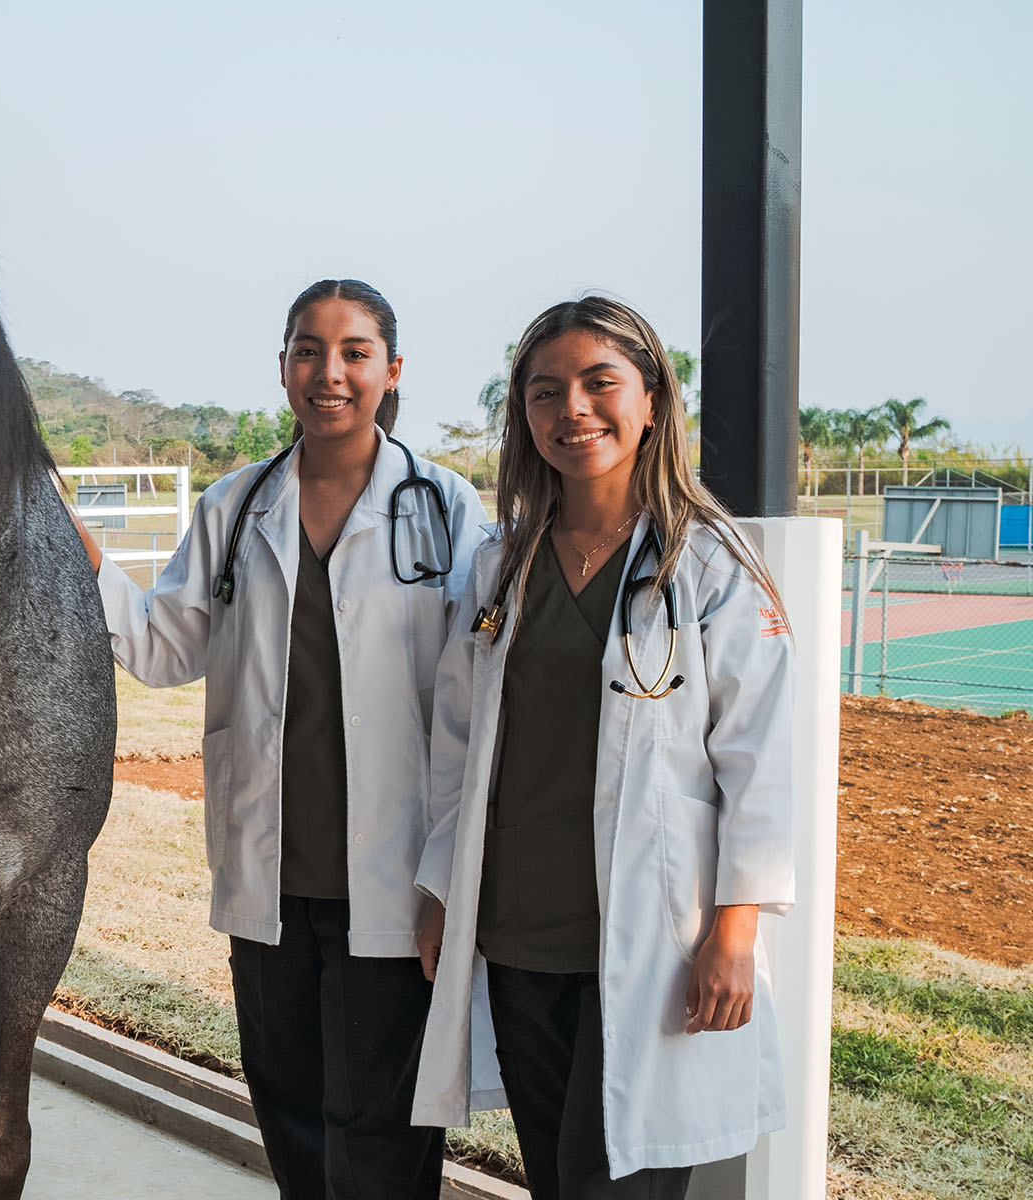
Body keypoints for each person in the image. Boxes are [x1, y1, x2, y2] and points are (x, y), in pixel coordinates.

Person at [71, 279, 488, 1197]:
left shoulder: (449, 511)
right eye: (307, 349)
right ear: (284, 366)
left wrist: (452, 880)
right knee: (292, 1119)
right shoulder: (234, 507)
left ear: (391, 370)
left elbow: (475, 713)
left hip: (397, 885)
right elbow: (162, 645)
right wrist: (87, 557)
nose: (328, 372)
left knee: (384, 1131)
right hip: (269, 884)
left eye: (352, 352)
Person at [409, 296, 797, 1198]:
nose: (572, 410)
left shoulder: (707, 563)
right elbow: (461, 751)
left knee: (610, 1182)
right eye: (545, 393)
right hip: (515, 934)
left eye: (599, 383)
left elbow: (760, 758)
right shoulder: (500, 564)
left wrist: (735, 929)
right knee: (557, 1176)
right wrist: (443, 890)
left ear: (653, 399)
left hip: (651, 937)